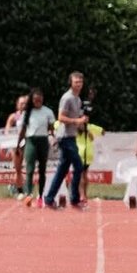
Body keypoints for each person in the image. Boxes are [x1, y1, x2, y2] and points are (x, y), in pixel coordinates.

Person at [44, 72, 88, 209]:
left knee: (62, 170)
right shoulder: (67, 98)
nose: (78, 84)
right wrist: (77, 121)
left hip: (71, 136)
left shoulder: (78, 99)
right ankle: (74, 199)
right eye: (76, 82)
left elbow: (76, 120)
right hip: (64, 137)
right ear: (71, 83)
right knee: (79, 166)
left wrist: (82, 122)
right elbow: (61, 117)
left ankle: (49, 198)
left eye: (80, 82)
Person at [19, 88, 56, 206]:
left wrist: (52, 137)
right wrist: (18, 143)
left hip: (43, 140)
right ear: (32, 100)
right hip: (31, 140)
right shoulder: (27, 112)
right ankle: (28, 194)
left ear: (43, 99)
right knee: (29, 168)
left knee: (42, 169)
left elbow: (51, 128)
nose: (38, 102)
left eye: (40, 100)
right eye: (35, 100)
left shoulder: (48, 111)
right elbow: (23, 129)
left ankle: (40, 195)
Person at [5, 94, 28, 197]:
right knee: (18, 169)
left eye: (25, 103)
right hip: (16, 145)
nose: (23, 105)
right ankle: (20, 191)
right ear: (17, 105)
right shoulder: (14, 116)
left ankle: (28, 189)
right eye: (21, 103)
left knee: (29, 168)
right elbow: (7, 130)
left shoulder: (31, 115)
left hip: (28, 143)